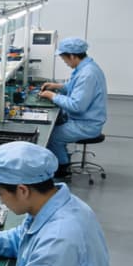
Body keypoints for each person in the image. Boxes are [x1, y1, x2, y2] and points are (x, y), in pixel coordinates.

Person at [38, 37, 107, 177]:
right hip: (83, 120)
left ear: (72, 56)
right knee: (55, 127)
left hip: (86, 125)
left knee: (51, 136)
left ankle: (62, 169)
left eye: (64, 59)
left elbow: (77, 106)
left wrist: (52, 96)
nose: (64, 62)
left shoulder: (87, 74)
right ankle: (61, 158)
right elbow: (74, 87)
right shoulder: (86, 67)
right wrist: (57, 86)